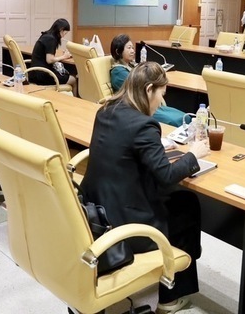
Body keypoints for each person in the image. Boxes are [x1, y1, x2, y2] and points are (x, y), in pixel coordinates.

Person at [81, 62, 209, 314]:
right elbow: (166, 176)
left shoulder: (105, 110)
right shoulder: (144, 125)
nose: (161, 103)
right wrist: (193, 155)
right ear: (149, 89)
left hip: (96, 212)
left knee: (179, 200)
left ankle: (177, 273)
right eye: (161, 94)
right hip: (124, 225)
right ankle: (171, 296)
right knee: (186, 205)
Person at [110, 34, 186, 127]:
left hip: (150, 102)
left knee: (184, 116)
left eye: (132, 48)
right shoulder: (118, 72)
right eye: (129, 48)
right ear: (118, 51)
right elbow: (139, 89)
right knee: (176, 121)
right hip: (140, 107)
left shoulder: (131, 66)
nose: (133, 51)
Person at [29, 18, 77, 93]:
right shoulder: (51, 39)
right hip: (43, 75)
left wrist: (62, 56)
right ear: (61, 30)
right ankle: (74, 100)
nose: (63, 36)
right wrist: (64, 56)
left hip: (34, 73)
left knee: (65, 74)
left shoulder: (46, 35)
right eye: (64, 33)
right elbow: (49, 60)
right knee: (73, 80)